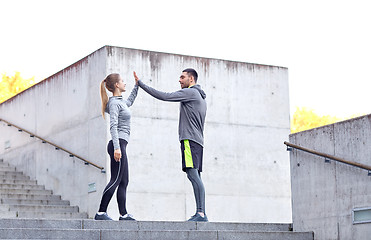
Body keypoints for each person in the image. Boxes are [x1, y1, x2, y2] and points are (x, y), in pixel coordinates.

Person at [134, 69, 208, 222]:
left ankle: (201, 213)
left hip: (189, 140)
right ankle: (200, 212)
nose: (179, 80)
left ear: (191, 79)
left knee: (192, 174)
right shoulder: (200, 96)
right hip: (197, 141)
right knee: (195, 175)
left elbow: (165, 96)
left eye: (182, 77)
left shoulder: (191, 93)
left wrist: (141, 84)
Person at [95, 73, 138, 221]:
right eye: (122, 81)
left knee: (124, 181)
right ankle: (101, 212)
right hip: (117, 144)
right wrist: (117, 148)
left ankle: (123, 214)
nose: (125, 83)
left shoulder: (120, 102)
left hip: (121, 144)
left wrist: (138, 85)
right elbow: (113, 126)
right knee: (115, 179)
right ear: (116, 85)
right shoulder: (114, 104)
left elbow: (130, 102)